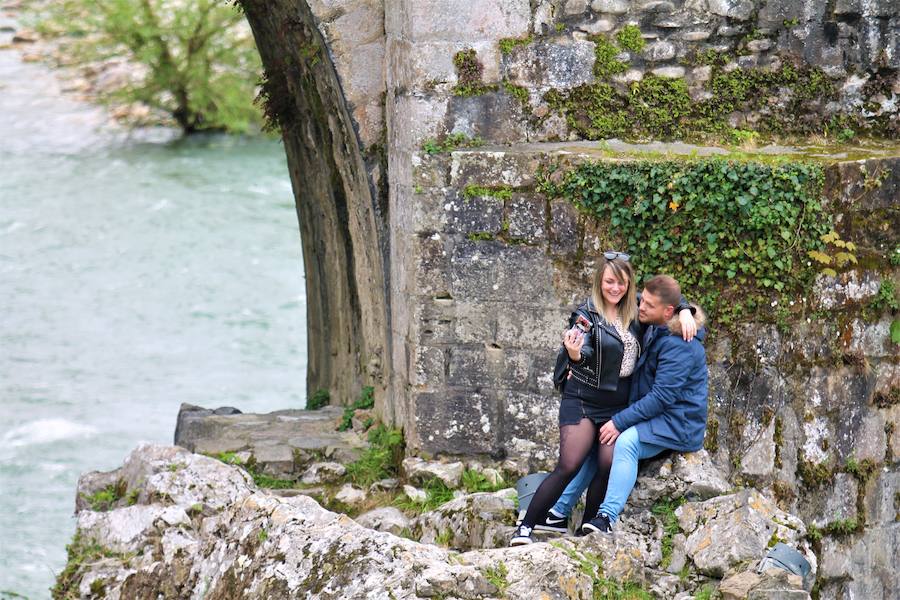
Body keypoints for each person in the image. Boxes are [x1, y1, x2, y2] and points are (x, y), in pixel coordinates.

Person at [510, 255, 696, 546]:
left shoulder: (637, 312)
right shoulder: (587, 313)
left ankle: (587, 527)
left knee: (606, 462)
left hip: (617, 405)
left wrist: (685, 310)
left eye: (621, 282)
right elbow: (581, 351)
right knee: (570, 464)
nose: (615, 288)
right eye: (609, 281)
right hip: (584, 399)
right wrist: (574, 355)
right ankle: (525, 527)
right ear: (599, 281)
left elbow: (666, 298)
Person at [577, 274, 708, 534]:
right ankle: (557, 510)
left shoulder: (680, 343)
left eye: (648, 304)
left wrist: (620, 421)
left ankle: (606, 517)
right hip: (658, 415)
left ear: (666, 311)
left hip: (678, 422)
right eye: (643, 301)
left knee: (625, 441)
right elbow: (623, 299)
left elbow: (662, 397)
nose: (640, 307)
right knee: (600, 437)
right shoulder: (659, 320)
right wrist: (685, 309)